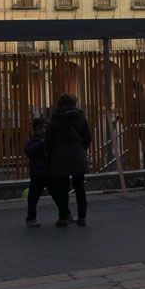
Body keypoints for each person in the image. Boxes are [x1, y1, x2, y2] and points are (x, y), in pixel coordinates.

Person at [45, 93, 91, 227]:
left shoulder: (54, 118)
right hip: (77, 155)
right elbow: (88, 136)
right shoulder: (80, 116)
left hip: (60, 157)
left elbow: (48, 141)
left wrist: (52, 153)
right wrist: (81, 149)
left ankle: (63, 218)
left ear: (59, 104)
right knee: (80, 187)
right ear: (74, 103)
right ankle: (82, 218)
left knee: (62, 189)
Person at [22, 116, 49, 227]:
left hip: (49, 172)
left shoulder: (48, 140)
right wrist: (41, 143)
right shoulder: (31, 142)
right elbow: (29, 151)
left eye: (44, 127)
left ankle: (66, 214)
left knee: (59, 195)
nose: (43, 130)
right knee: (33, 198)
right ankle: (31, 219)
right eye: (40, 128)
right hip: (37, 174)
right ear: (34, 129)